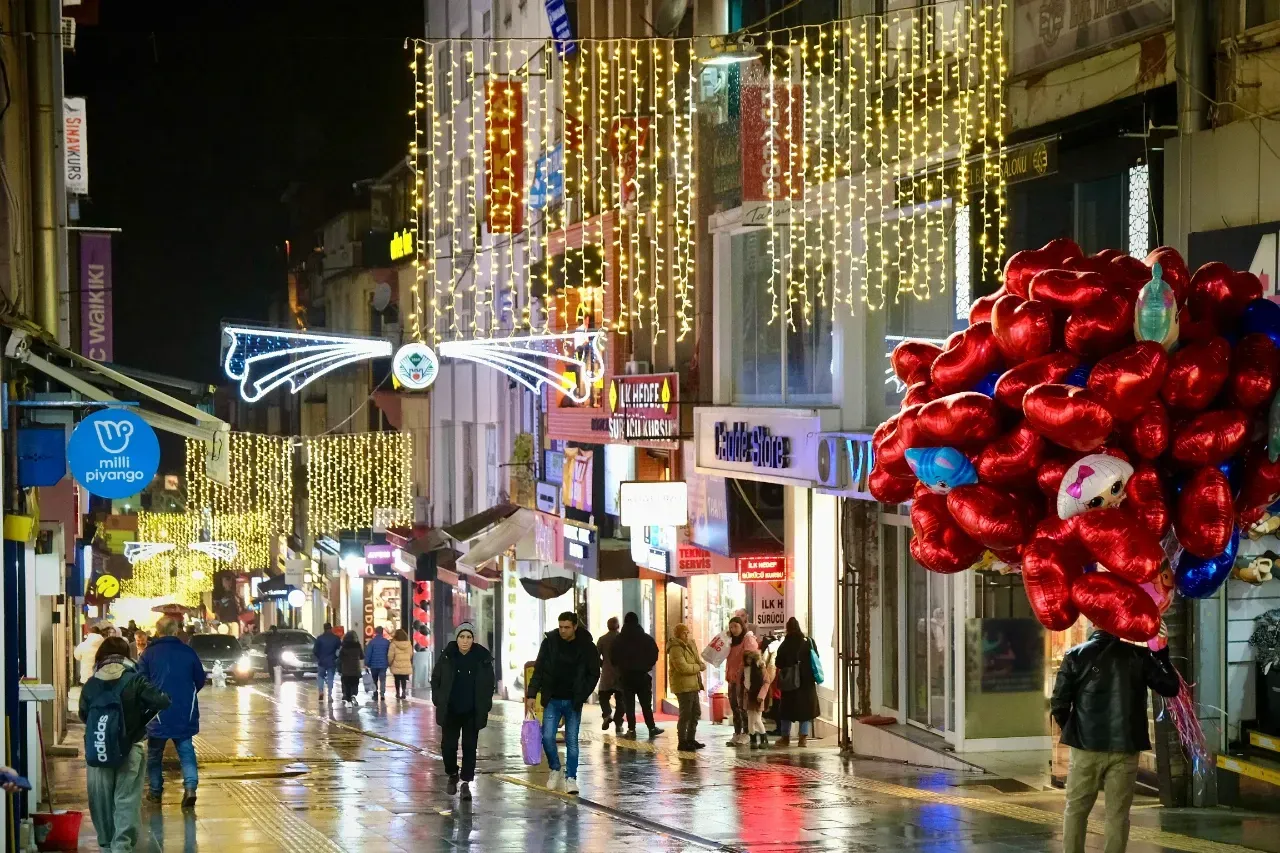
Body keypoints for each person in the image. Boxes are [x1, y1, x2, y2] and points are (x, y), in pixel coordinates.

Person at [1052, 628, 1180, 853]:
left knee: (1076, 810)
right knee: (1118, 815)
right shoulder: (1137, 656)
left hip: (1085, 746)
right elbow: (1170, 687)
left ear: (1093, 630)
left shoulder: (1075, 655)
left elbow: (1059, 704)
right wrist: (1161, 655)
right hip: (1126, 747)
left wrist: (1076, 731)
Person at [80, 636, 170, 852]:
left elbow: (84, 714)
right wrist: (140, 719)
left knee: (100, 800)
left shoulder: (92, 684)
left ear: (101, 656)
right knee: (126, 799)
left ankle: (105, 845)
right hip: (131, 747)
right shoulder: (134, 679)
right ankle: (122, 846)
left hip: (99, 748)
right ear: (126, 656)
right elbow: (162, 700)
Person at [526, 612, 599, 795]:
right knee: (548, 737)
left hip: (574, 701)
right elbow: (539, 668)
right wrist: (532, 694)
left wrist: (583, 694)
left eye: (567, 627)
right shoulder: (549, 642)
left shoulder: (587, 646)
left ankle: (571, 778)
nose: (563, 631)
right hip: (552, 699)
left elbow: (594, 673)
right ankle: (555, 768)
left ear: (575, 627)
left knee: (572, 741)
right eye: (560, 627)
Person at [137, 616, 207, 808]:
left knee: (154, 754)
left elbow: (140, 682)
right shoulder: (188, 652)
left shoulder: (148, 654)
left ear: (158, 632)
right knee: (186, 750)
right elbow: (200, 679)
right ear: (176, 631)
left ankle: (155, 791)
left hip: (157, 711)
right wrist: (187, 694)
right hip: (185, 709)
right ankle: (191, 787)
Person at [430, 623, 494, 801]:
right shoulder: (447, 656)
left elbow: (489, 684)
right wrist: (438, 699)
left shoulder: (482, 658)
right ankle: (452, 773)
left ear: (473, 639)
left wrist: (485, 705)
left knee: (469, 747)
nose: (465, 641)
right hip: (450, 710)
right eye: (462, 637)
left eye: (469, 637)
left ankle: (466, 783)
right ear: (456, 638)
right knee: (448, 746)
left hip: (472, 711)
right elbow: (436, 679)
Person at [611, 612, 663, 739]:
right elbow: (654, 653)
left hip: (626, 677)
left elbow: (613, 657)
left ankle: (631, 729)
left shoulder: (619, 639)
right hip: (642, 676)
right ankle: (651, 727)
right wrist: (647, 667)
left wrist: (620, 667)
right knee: (646, 704)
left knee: (629, 705)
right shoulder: (645, 638)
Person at [773, 618, 820, 747]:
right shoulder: (808, 642)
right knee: (806, 711)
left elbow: (778, 663)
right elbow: (816, 657)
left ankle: (785, 738)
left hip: (790, 683)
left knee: (786, 711)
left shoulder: (784, 645)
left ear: (787, 629)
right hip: (807, 681)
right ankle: (803, 739)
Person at [666, 623, 706, 751]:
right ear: (678, 634)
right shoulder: (675, 648)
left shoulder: (689, 645)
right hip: (683, 686)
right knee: (686, 714)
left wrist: (700, 664)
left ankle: (691, 739)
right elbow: (682, 667)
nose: (687, 635)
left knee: (695, 713)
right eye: (684, 633)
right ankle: (682, 741)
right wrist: (698, 667)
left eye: (688, 632)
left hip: (693, 684)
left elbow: (696, 660)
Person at [723, 615, 758, 746]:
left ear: (742, 626)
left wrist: (742, 673)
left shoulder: (748, 639)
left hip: (743, 680)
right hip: (732, 679)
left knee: (743, 707)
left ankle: (746, 733)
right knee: (734, 707)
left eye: (736, 626)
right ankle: (737, 733)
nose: (733, 629)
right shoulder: (731, 641)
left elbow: (751, 658)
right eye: (731, 627)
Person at [743, 643, 775, 750]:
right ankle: (753, 740)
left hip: (758, 697)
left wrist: (761, 695)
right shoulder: (745, 670)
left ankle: (763, 739)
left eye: (749, 659)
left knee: (757, 719)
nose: (748, 661)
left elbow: (767, 682)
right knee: (750, 720)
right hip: (749, 697)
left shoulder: (760, 669)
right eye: (746, 659)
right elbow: (742, 684)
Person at [595, 616, 622, 733]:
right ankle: (618, 722)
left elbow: (595, 656)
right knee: (621, 699)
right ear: (618, 626)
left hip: (607, 672)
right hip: (621, 674)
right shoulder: (623, 639)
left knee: (603, 695)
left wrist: (603, 664)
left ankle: (607, 714)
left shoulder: (602, 639)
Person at [312, 623, 342, 702]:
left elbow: (315, 651)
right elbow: (339, 650)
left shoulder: (319, 638)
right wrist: (335, 657)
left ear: (324, 628)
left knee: (321, 676)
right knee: (330, 678)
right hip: (331, 661)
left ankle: (321, 691)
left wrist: (319, 657)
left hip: (321, 661)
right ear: (331, 628)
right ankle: (329, 695)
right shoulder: (336, 638)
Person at [365, 626, 391, 701]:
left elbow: (368, 654)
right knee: (382, 679)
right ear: (382, 632)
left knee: (374, 680)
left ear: (375, 632)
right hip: (383, 664)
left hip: (374, 665)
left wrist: (367, 663)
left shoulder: (372, 642)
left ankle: (375, 694)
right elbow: (389, 653)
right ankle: (382, 694)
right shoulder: (386, 642)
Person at [387, 628, 414, 700]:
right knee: (404, 679)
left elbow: (390, 655)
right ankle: (404, 692)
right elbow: (411, 654)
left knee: (397, 679)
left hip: (396, 665)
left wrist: (389, 663)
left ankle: (398, 693)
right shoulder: (408, 644)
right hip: (406, 665)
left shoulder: (393, 644)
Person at [339, 631, 364, 704]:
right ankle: (354, 695)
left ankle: (348, 698)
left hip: (346, 669)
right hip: (355, 669)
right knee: (355, 683)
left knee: (347, 684)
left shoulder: (344, 646)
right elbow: (362, 656)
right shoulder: (357, 645)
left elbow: (340, 657)